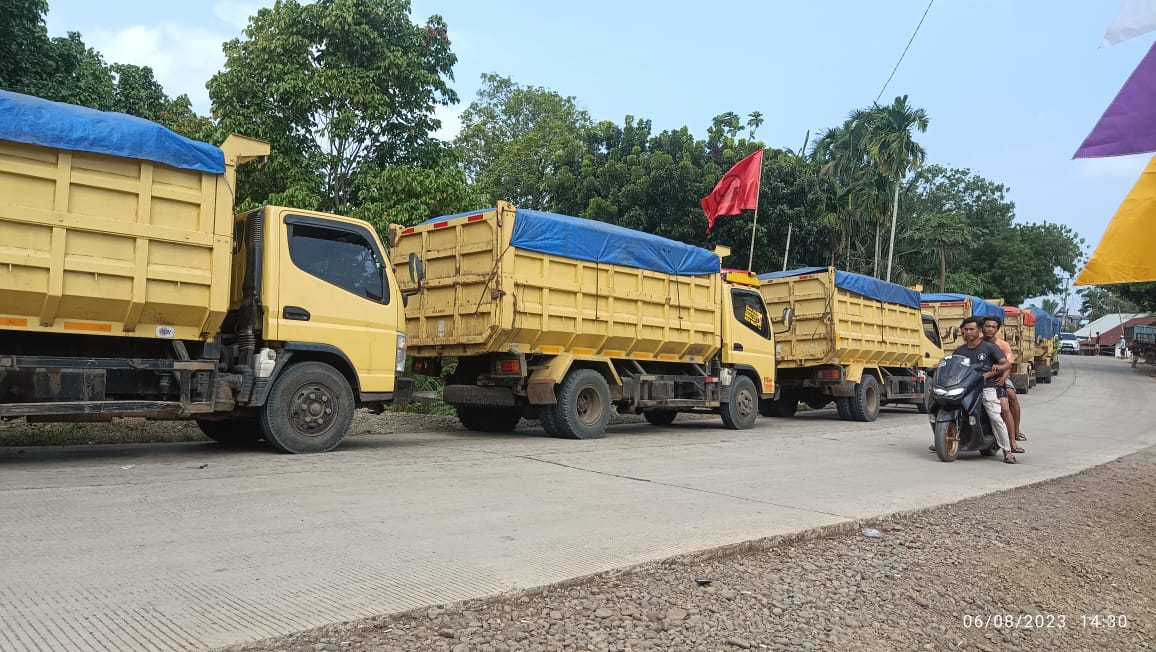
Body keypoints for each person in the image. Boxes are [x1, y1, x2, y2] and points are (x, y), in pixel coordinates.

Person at [940, 317, 1017, 463]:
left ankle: (1007, 451)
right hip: (964, 388)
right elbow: (953, 367)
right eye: (966, 330)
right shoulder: (960, 350)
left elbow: (1006, 364)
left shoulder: (989, 348)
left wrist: (998, 369)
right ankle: (942, 439)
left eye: (972, 329)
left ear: (979, 330)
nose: (968, 332)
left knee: (995, 416)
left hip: (985, 387)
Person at [982, 316, 1026, 449]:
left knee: (1010, 397)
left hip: (1000, 378)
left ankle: (1014, 435)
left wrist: (1003, 379)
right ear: (982, 328)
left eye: (993, 327)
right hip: (980, 379)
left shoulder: (1003, 345)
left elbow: (1008, 365)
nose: (989, 329)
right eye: (987, 326)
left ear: (997, 329)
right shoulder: (975, 343)